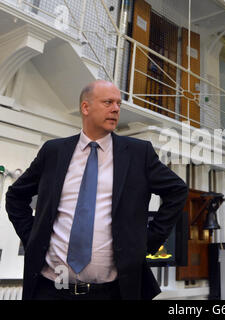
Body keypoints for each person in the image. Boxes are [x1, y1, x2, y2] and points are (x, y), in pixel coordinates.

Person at [5, 80, 188, 300]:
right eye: (108, 102)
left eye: (118, 103)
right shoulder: (53, 152)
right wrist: (32, 235)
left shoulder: (138, 154)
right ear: (85, 107)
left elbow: (177, 191)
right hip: (50, 289)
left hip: (111, 292)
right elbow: (16, 196)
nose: (116, 108)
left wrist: (148, 240)